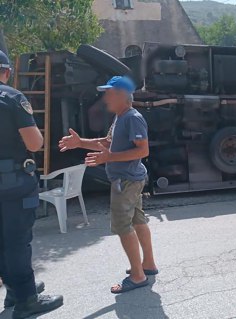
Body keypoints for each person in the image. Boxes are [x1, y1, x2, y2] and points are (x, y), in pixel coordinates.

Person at [59, 76, 158, 293]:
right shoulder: (120, 117)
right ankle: (147, 264)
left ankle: (138, 276)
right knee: (138, 220)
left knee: (124, 226)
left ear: (122, 96)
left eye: (109, 93)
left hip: (126, 181)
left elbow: (143, 150)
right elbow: (107, 142)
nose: (105, 98)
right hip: (130, 179)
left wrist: (109, 158)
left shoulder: (132, 118)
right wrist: (80, 143)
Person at [0, 50, 63, 318]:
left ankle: (15, 289)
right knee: (16, 240)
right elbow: (34, 143)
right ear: (6, 72)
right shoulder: (11, 98)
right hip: (11, 181)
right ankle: (26, 298)